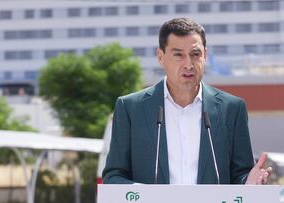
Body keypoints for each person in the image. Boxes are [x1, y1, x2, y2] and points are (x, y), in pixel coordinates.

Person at [103, 17, 271, 184]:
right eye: (178, 55)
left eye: (195, 54)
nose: (188, 64)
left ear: (205, 55)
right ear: (160, 57)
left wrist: (249, 181)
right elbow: (113, 176)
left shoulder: (232, 109)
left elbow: (240, 175)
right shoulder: (131, 108)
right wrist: (146, 195)